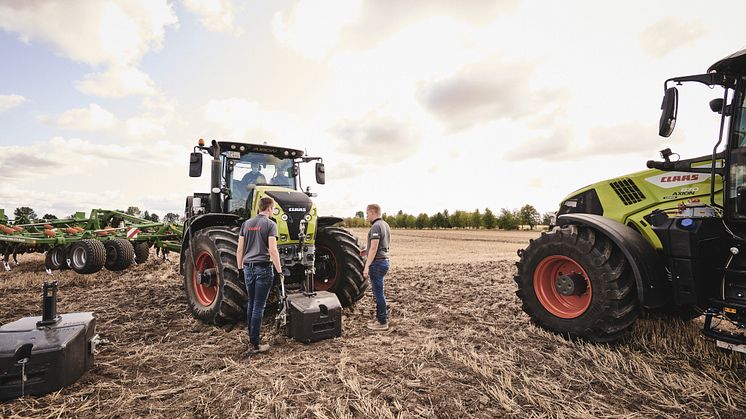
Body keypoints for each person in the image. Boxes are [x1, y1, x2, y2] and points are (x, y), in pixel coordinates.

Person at [236, 196, 283, 354]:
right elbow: (273, 250)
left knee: (252, 302)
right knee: (259, 306)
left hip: (248, 268)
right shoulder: (271, 224)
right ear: (269, 208)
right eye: (273, 208)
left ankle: (252, 336)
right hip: (263, 268)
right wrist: (279, 271)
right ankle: (255, 343)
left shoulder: (246, 224)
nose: (273, 211)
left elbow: (240, 250)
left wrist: (240, 269)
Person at [361, 203, 391, 331]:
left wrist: (366, 266)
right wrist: (366, 250)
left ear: (373, 212)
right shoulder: (385, 225)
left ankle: (382, 322)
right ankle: (380, 317)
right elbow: (378, 246)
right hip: (384, 261)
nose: (366, 216)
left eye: (367, 213)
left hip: (377, 263)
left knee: (378, 294)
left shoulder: (375, 227)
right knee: (379, 292)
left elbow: (374, 248)